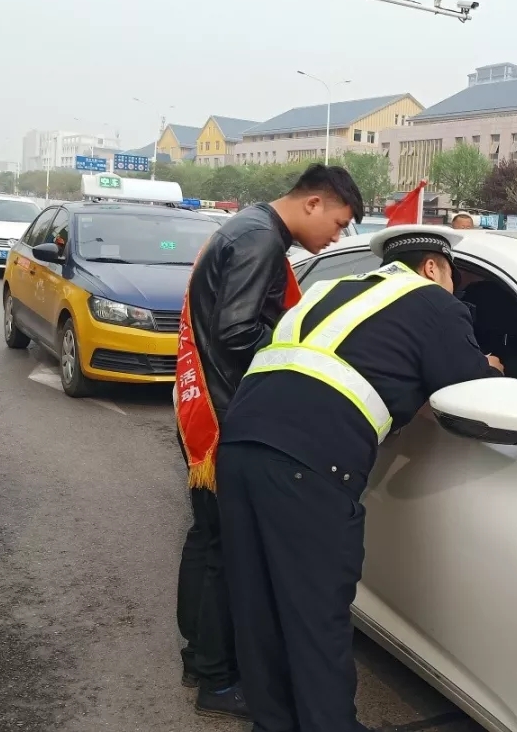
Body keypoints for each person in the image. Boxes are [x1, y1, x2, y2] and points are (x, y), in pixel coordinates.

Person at [216, 227, 504, 732]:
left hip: (239, 446)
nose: (455, 291)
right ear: (433, 267)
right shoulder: (433, 302)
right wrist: (490, 367)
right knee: (317, 618)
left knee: (257, 607)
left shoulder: (332, 290)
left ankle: (273, 723)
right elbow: (471, 392)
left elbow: (363, 365)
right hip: (308, 466)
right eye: (454, 279)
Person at [174, 163, 363, 721]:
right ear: (313, 203)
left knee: (208, 541)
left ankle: (200, 660)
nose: (338, 237)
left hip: (211, 405)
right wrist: (303, 356)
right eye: (339, 222)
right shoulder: (260, 239)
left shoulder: (249, 227)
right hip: (230, 412)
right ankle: (217, 678)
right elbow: (237, 331)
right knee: (226, 554)